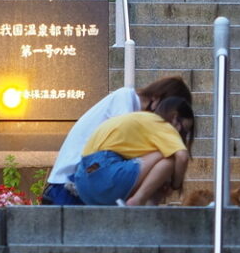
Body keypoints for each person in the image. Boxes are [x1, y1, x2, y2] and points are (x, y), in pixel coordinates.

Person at [40, 75, 193, 206]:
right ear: (158, 98)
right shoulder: (125, 98)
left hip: (87, 180)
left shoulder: (142, 119)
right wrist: (173, 183)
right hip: (69, 183)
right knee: (165, 156)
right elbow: (128, 151)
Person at [72, 94, 195, 207]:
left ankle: (148, 206)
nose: (181, 135)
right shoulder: (163, 125)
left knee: (157, 171)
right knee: (169, 159)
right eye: (183, 130)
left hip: (83, 184)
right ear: (174, 117)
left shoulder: (141, 120)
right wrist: (175, 185)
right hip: (105, 174)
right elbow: (182, 157)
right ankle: (137, 201)